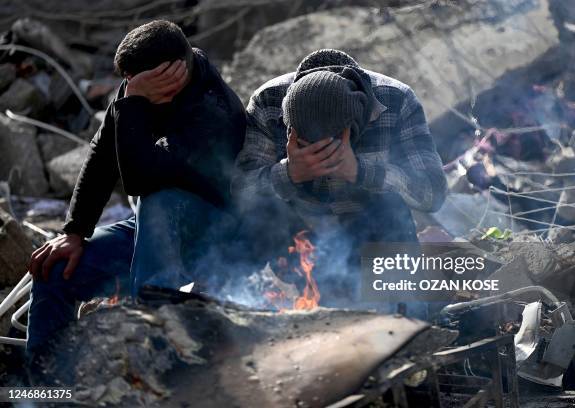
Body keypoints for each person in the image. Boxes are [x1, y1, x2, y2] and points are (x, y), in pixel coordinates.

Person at [26, 20, 245, 351]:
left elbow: (140, 180)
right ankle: (43, 393)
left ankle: (154, 343)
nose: (128, 90)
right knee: (55, 273)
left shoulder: (213, 112)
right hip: (151, 233)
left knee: (159, 200)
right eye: (128, 83)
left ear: (173, 73)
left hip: (210, 242)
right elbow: (103, 155)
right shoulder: (143, 86)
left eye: (135, 85)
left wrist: (135, 103)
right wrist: (74, 232)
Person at [232, 49, 447, 302]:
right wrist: (289, 173)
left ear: (353, 127)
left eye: (330, 144)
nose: (322, 155)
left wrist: (361, 171)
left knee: (401, 327)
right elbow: (240, 193)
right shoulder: (268, 101)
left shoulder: (397, 100)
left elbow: (433, 194)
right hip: (299, 237)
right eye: (308, 144)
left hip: (376, 231)